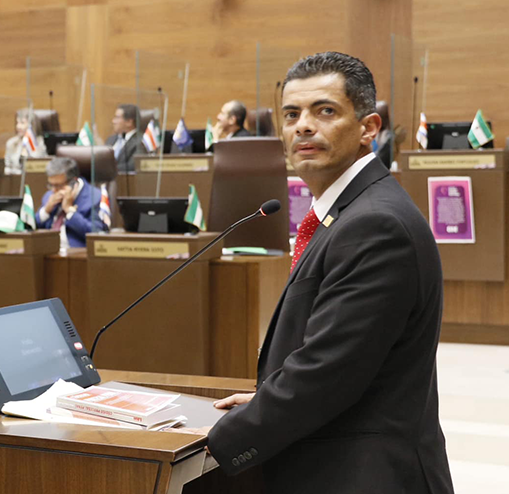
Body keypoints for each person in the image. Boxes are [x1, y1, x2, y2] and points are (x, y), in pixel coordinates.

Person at [199, 52, 453, 494]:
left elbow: (327, 373)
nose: (302, 126)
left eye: (325, 111)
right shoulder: (348, 212)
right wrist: (264, 401)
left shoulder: (375, 225)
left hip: (365, 475)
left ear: (368, 129)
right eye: (292, 114)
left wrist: (214, 443)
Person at [35, 157, 108, 248]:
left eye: (58, 185)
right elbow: (34, 226)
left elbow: (97, 233)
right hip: (47, 251)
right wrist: (46, 210)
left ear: (73, 182)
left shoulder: (94, 197)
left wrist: (69, 211)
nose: (54, 190)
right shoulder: (50, 195)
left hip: (76, 254)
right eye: (51, 185)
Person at [105, 104, 145, 173]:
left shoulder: (141, 141)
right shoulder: (111, 139)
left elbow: (133, 166)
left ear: (129, 122)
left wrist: (107, 169)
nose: (113, 121)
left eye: (117, 118)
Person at [4, 109, 46, 175]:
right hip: (14, 180)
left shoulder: (39, 142)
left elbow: (38, 165)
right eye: (17, 123)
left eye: (22, 123)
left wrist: (28, 144)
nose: (18, 126)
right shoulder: (11, 143)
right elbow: (7, 167)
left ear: (31, 125)